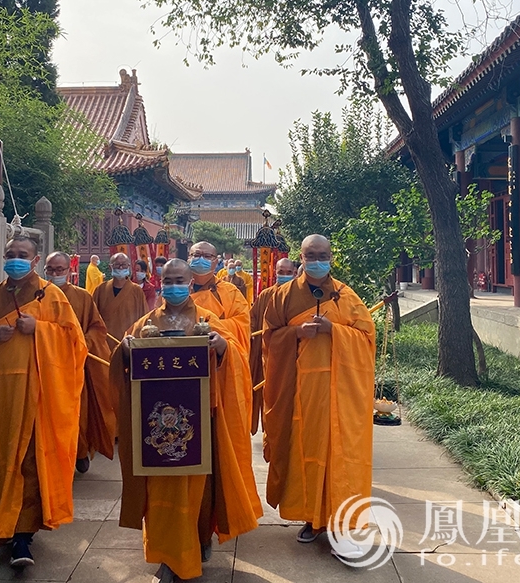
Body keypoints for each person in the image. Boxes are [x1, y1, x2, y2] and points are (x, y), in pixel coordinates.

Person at [110, 258, 261, 583]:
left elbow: (235, 356)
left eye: (180, 279)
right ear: (161, 283)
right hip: (156, 425)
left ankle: (198, 540)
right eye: (168, 280)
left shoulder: (207, 321)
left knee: (199, 491)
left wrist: (221, 348)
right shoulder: (146, 323)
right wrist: (124, 351)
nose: (174, 285)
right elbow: (123, 358)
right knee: (159, 492)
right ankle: (168, 556)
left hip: (197, 423)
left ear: (190, 282)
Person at [0, 236, 87, 568]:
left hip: (37, 397)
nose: (16, 259)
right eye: (10, 254)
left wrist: (40, 329)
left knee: (28, 462)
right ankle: (4, 523)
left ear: (35, 259)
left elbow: (75, 343)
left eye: (22, 255)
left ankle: (23, 537)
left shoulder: (52, 296)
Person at [262, 234, 375, 552]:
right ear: (301, 256)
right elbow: (269, 339)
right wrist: (296, 332)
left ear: (331, 257)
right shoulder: (283, 296)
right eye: (310, 255)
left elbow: (366, 337)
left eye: (322, 254)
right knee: (305, 455)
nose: (316, 260)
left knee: (339, 455)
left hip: (339, 394)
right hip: (299, 393)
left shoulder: (345, 296)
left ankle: (342, 522)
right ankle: (312, 519)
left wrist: (333, 330)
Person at [44, 252, 114, 475]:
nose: (55, 274)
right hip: (46, 366)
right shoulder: (37, 296)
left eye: (59, 270)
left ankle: (80, 452)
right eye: (51, 270)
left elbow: (97, 327)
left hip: (76, 366)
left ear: (69, 270)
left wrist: (83, 341)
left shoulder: (82, 297)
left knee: (78, 416)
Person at [248, 257, 298, 434]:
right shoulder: (266, 295)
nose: (284, 275)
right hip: (266, 353)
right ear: (274, 272)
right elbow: (252, 318)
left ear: (294, 273)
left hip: (291, 356)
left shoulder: (298, 296)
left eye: (288, 272)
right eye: (280, 272)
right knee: (265, 395)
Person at [92, 252, 149, 344]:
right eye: (117, 264)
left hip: (130, 342)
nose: (121, 267)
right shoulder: (100, 290)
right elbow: (93, 318)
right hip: (105, 343)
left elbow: (144, 318)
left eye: (124, 265)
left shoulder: (136, 291)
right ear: (110, 267)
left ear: (129, 266)